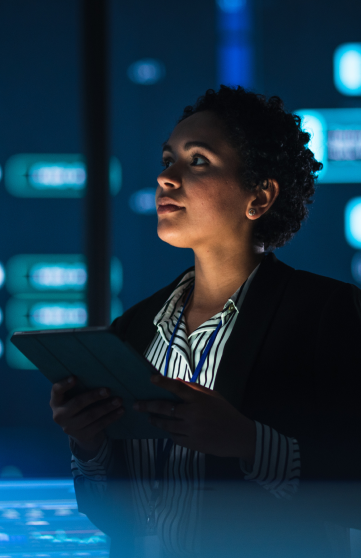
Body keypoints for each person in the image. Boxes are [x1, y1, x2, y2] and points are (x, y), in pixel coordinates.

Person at [50, 86, 361, 558]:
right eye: (167, 158)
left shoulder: (328, 313)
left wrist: (250, 443)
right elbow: (118, 519)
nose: (166, 178)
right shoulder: (132, 330)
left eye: (198, 161)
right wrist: (89, 444)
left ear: (259, 195)